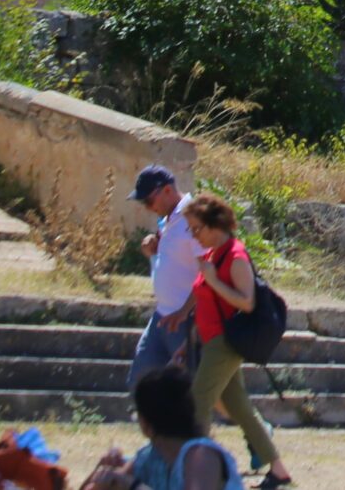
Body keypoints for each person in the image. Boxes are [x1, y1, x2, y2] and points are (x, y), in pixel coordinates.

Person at [179, 196, 289, 490]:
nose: (194, 235)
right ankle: (279, 470)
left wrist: (214, 281)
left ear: (214, 225)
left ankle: (199, 473)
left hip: (224, 345)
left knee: (199, 400)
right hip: (211, 341)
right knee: (240, 409)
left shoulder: (236, 256)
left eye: (196, 228)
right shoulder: (215, 254)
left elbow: (247, 302)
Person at [73, 366, 239, 490]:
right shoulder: (150, 457)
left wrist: (133, 486)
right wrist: (102, 471)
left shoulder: (202, 455)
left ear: (146, 423)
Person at [127, 165, 201, 390]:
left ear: (167, 190)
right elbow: (169, 263)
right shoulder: (167, 220)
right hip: (162, 316)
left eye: (149, 201)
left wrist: (186, 312)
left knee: (192, 391)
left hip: (185, 319)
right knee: (140, 383)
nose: (148, 208)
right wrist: (152, 252)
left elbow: (207, 273)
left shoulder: (193, 218)